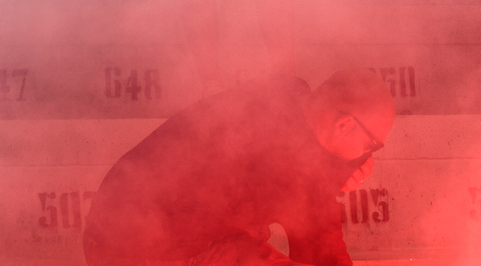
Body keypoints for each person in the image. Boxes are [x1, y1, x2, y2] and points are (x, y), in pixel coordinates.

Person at [83, 70, 394, 266]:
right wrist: (332, 177)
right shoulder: (294, 165)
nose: (367, 159)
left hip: (128, 232)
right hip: (140, 252)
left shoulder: (284, 95)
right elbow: (321, 251)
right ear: (344, 125)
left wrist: (331, 174)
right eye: (371, 146)